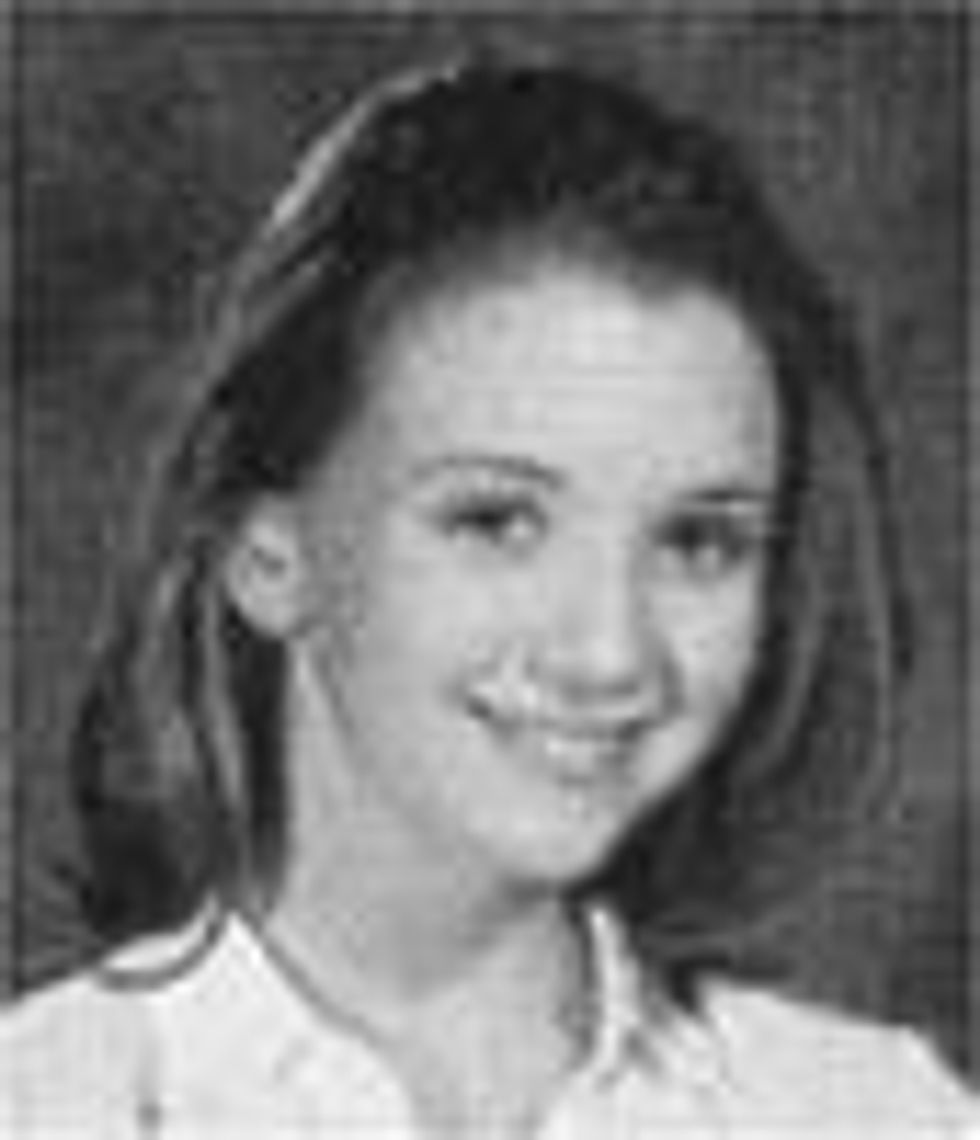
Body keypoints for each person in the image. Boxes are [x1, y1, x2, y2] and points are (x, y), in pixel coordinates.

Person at [3, 52, 974, 1138]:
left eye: (698, 542)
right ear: (269, 555)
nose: (610, 653)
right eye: (497, 522)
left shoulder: (876, 1113)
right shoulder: (48, 1103)